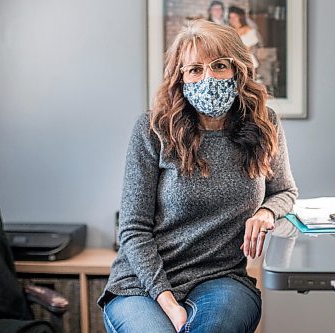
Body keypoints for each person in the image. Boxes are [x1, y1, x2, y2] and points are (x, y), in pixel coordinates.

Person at [98, 19, 298, 333]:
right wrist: (171, 306)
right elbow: (133, 229)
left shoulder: (264, 123)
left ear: (238, 69)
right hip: (143, 285)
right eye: (195, 69)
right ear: (180, 77)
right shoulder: (153, 129)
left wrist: (266, 212)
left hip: (222, 279)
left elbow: (285, 191)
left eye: (219, 65)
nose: (208, 78)